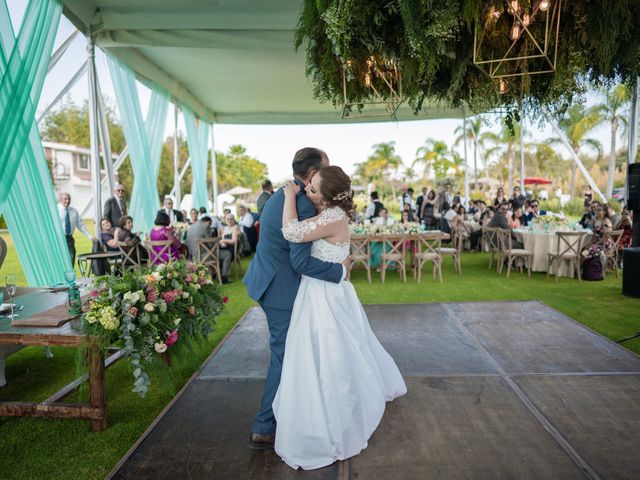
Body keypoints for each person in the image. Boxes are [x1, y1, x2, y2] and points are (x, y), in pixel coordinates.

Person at [273, 166, 406, 470]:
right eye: (308, 186)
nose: (307, 190)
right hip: (330, 290)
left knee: (331, 357)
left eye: (313, 189)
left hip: (324, 296)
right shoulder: (332, 215)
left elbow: (291, 232)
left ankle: (336, 423)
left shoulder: (331, 217)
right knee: (336, 351)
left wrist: (290, 196)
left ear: (328, 196)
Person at [243, 147, 347, 451]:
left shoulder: (282, 193)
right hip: (281, 289)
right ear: (313, 173)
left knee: (296, 351)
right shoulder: (301, 204)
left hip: (265, 278)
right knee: (284, 354)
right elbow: (301, 263)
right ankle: (264, 427)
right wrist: (339, 272)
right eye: (325, 169)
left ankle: (298, 409)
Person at [57, 192, 97, 266]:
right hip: (58, 238)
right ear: (61, 200)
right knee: (59, 259)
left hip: (69, 238)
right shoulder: (55, 210)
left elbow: (81, 225)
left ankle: (70, 276)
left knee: (71, 258)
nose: (67, 201)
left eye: (69, 199)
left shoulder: (74, 211)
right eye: (65, 199)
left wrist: (90, 237)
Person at [581, 204, 613, 280]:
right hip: (598, 243)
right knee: (584, 248)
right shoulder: (596, 220)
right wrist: (591, 243)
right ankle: (581, 270)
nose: (597, 212)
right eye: (596, 210)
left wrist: (595, 244)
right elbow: (595, 235)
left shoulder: (607, 222)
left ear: (604, 212)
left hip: (605, 245)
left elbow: (605, 237)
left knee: (587, 251)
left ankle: (578, 269)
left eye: (599, 210)